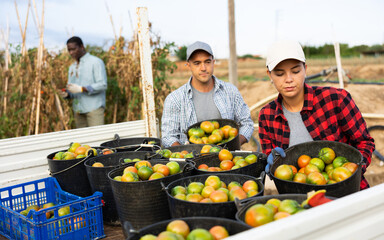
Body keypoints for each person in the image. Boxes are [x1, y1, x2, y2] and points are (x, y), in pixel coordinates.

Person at [259, 39, 375, 190]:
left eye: (295, 71)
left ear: (305, 69)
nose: (289, 79)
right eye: (280, 74)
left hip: (349, 191)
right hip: (300, 199)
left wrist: (352, 171)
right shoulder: (267, 116)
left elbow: (364, 142)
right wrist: (272, 164)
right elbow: (273, 164)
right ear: (269, 75)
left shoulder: (335, 99)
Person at [161, 41, 254, 148]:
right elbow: (168, 136)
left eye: (207, 62)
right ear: (188, 65)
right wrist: (186, 152)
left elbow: (247, 123)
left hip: (228, 161)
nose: (203, 68)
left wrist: (232, 145)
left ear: (213, 62)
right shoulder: (175, 99)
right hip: (191, 162)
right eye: (197, 63)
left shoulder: (230, 91)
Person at [59, 36, 108, 128]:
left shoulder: (95, 62)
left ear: (82, 47)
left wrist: (82, 89)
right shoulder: (72, 67)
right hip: (78, 110)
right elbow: (72, 89)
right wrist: (67, 94)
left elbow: (102, 85)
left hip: (94, 109)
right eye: (69, 50)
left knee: (96, 138)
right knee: (82, 140)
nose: (71, 52)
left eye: (73, 49)